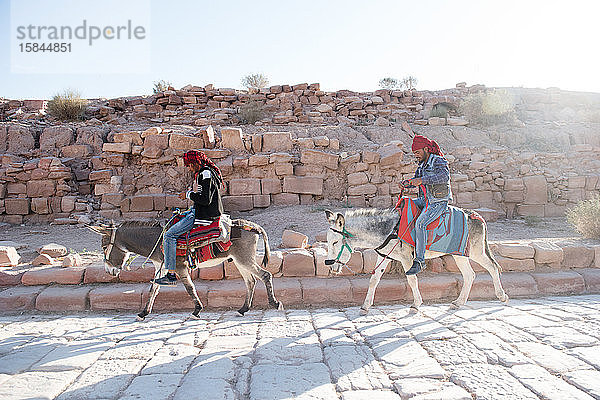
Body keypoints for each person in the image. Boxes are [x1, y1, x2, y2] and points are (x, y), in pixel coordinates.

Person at [153, 150, 224, 286]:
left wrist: (187, 195)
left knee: (169, 235)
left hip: (204, 214)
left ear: (197, 162)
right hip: (198, 210)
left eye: (190, 165)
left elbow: (205, 199)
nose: (189, 168)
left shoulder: (205, 174)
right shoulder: (204, 173)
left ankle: (171, 274)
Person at [401, 135, 452, 275]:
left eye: (417, 152)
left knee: (421, 223)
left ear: (426, 149)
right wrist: (408, 183)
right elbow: (416, 180)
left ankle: (419, 260)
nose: (416, 156)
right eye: (414, 154)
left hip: (438, 201)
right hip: (425, 200)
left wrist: (422, 180)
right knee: (404, 205)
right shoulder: (422, 164)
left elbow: (444, 177)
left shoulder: (439, 161)